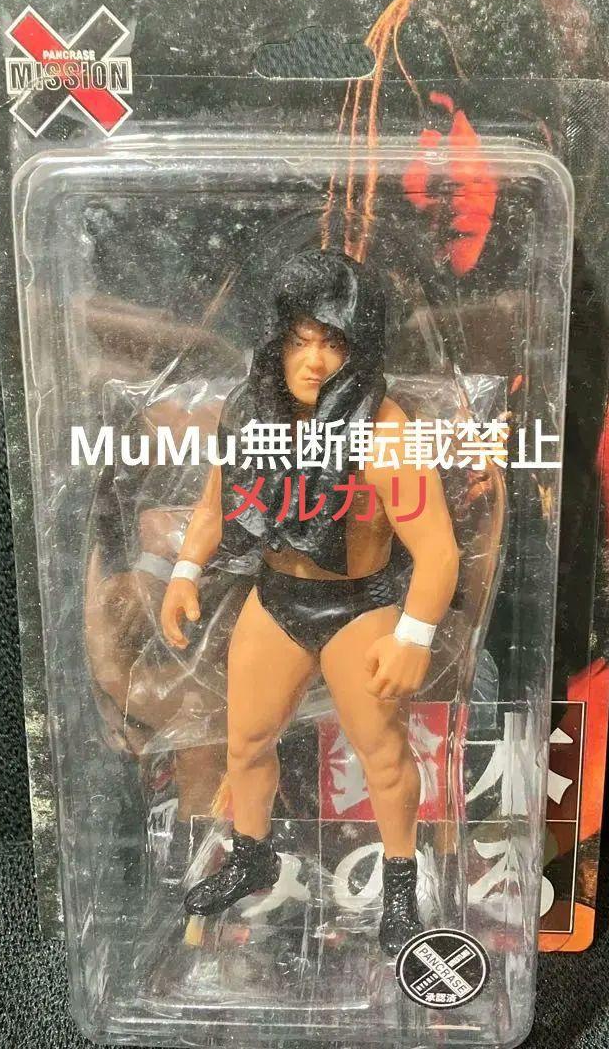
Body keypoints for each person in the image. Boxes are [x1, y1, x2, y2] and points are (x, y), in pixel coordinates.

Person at [160, 249, 459, 955]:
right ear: (278, 340)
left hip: (359, 604)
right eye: (301, 340)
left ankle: (398, 888)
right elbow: (214, 503)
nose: (315, 360)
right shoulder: (250, 417)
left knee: (382, 755)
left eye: (332, 343)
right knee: (245, 742)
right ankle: (252, 857)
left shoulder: (385, 430)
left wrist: (414, 636)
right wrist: (183, 571)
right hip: (277, 597)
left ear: (357, 350)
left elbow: (439, 550)